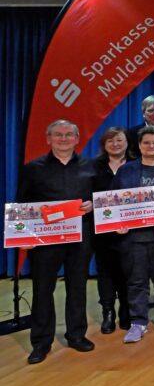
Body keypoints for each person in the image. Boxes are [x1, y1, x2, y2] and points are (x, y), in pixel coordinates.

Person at [19, 120, 96, 364]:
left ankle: (76, 335)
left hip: (80, 237)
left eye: (68, 135)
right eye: (58, 135)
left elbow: (101, 199)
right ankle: (41, 342)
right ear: (48, 138)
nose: (63, 139)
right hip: (45, 241)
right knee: (42, 290)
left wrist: (93, 205)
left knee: (77, 287)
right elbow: (21, 205)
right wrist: (23, 237)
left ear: (76, 138)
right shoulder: (33, 168)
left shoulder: (91, 166)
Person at [111, 126, 154, 343]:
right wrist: (118, 222)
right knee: (136, 281)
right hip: (132, 237)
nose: (151, 146)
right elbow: (113, 199)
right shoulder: (126, 170)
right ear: (139, 145)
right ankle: (138, 321)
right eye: (146, 143)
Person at [90, 126, 131, 334]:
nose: (115, 144)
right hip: (102, 230)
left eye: (119, 140)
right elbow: (86, 194)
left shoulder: (135, 164)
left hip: (128, 229)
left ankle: (126, 309)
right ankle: (108, 312)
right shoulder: (92, 166)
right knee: (105, 272)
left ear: (126, 142)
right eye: (110, 141)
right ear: (104, 145)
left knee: (126, 270)